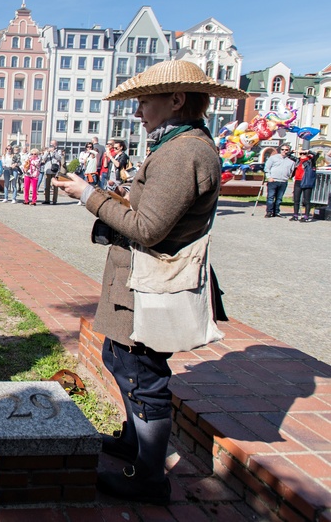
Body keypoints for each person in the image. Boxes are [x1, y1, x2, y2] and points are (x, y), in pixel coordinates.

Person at [53, 59, 247, 504]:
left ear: (176, 99)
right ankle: (133, 442)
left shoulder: (184, 152)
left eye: (144, 102)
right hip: (141, 281)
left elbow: (148, 228)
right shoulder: (178, 145)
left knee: (142, 373)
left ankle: (148, 476)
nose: (138, 113)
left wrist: (89, 195)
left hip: (152, 284)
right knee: (120, 358)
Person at [263, 143, 296, 218]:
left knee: (279, 198)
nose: (284, 151)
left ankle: (276, 212)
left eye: (286, 150)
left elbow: (293, 170)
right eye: (282, 149)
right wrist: (269, 177)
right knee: (270, 197)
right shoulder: (273, 158)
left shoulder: (291, 160)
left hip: (283, 181)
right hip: (273, 180)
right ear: (280, 150)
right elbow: (267, 168)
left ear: (289, 151)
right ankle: (269, 212)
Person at [291, 149, 317, 222]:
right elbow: (288, 156)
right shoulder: (298, 160)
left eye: (304, 153)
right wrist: (293, 151)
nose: (302, 155)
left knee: (306, 200)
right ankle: (295, 215)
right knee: (296, 199)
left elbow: (316, 154)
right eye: (301, 153)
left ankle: (306, 216)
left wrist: (308, 151)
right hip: (298, 181)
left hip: (306, 181)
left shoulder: (311, 161)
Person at [42, 141, 64, 205]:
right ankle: (47, 199)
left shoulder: (58, 151)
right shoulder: (47, 150)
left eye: (53, 144)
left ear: (56, 144)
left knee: (55, 186)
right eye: (51, 143)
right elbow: (43, 158)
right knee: (47, 186)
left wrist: (54, 152)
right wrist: (48, 152)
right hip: (48, 169)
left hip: (55, 170)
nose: (51, 145)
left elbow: (59, 158)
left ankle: (54, 200)